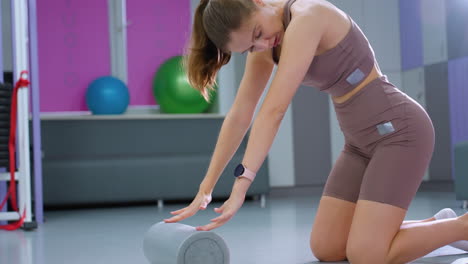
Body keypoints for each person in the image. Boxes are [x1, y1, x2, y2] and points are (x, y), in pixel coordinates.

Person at [164, 0, 468, 263]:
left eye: (257, 34)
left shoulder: (308, 17)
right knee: (327, 247)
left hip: (399, 133)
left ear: (258, 2)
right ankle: (438, 225)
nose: (261, 44)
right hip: (359, 145)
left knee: (367, 256)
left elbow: (273, 110)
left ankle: (462, 227)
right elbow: (240, 115)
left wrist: (241, 185)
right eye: (250, 47)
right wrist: (206, 186)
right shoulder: (268, 41)